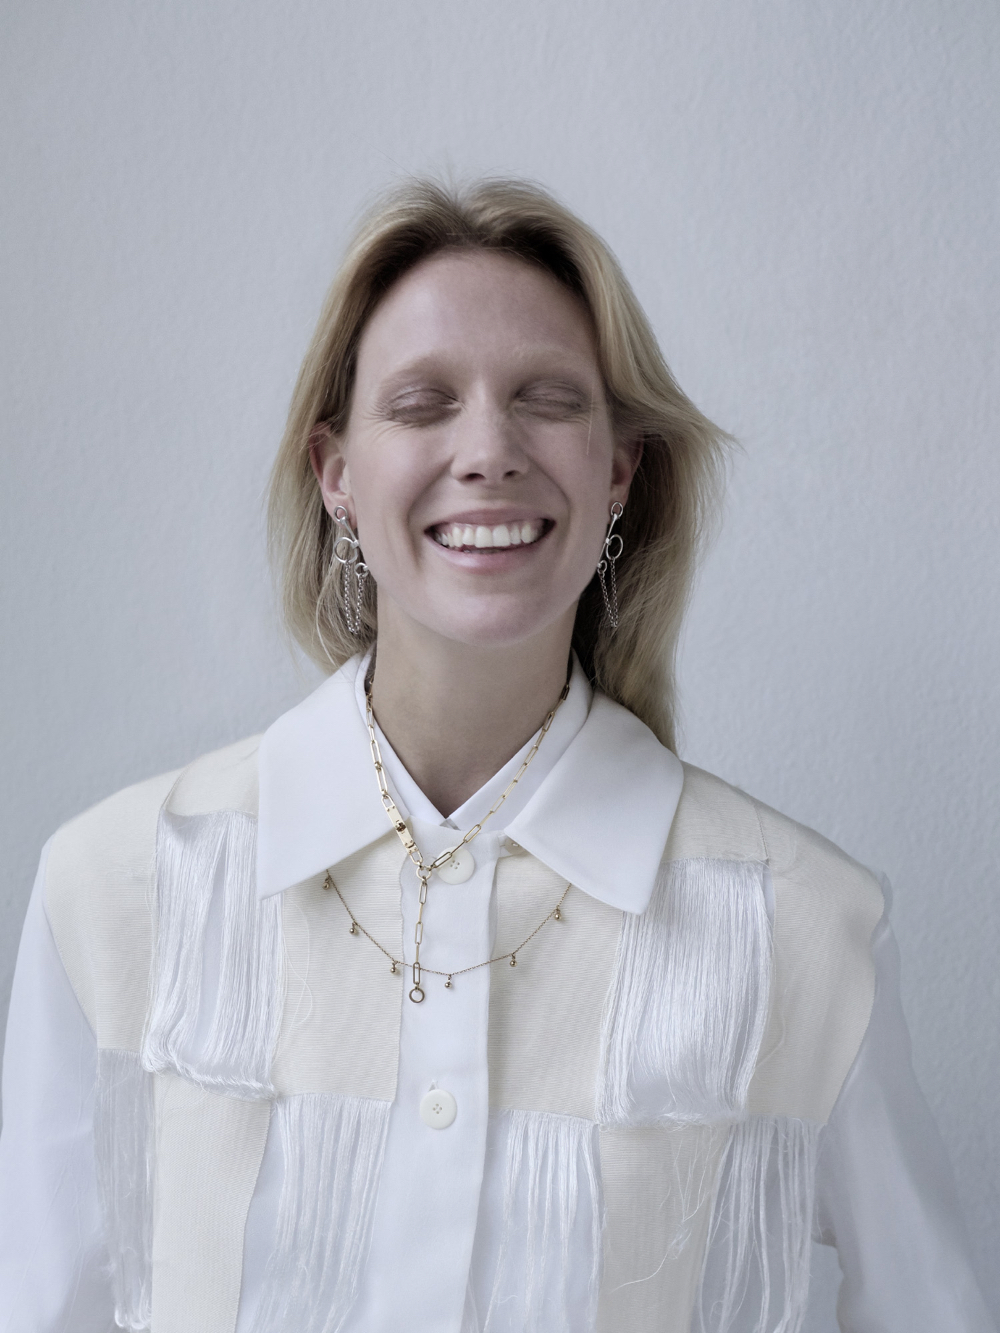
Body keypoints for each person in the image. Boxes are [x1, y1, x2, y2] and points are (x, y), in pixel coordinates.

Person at [0, 178, 993, 1333]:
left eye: (547, 400)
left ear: (619, 469)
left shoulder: (807, 930)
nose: (488, 450)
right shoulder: (112, 890)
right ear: (335, 472)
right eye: (422, 403)